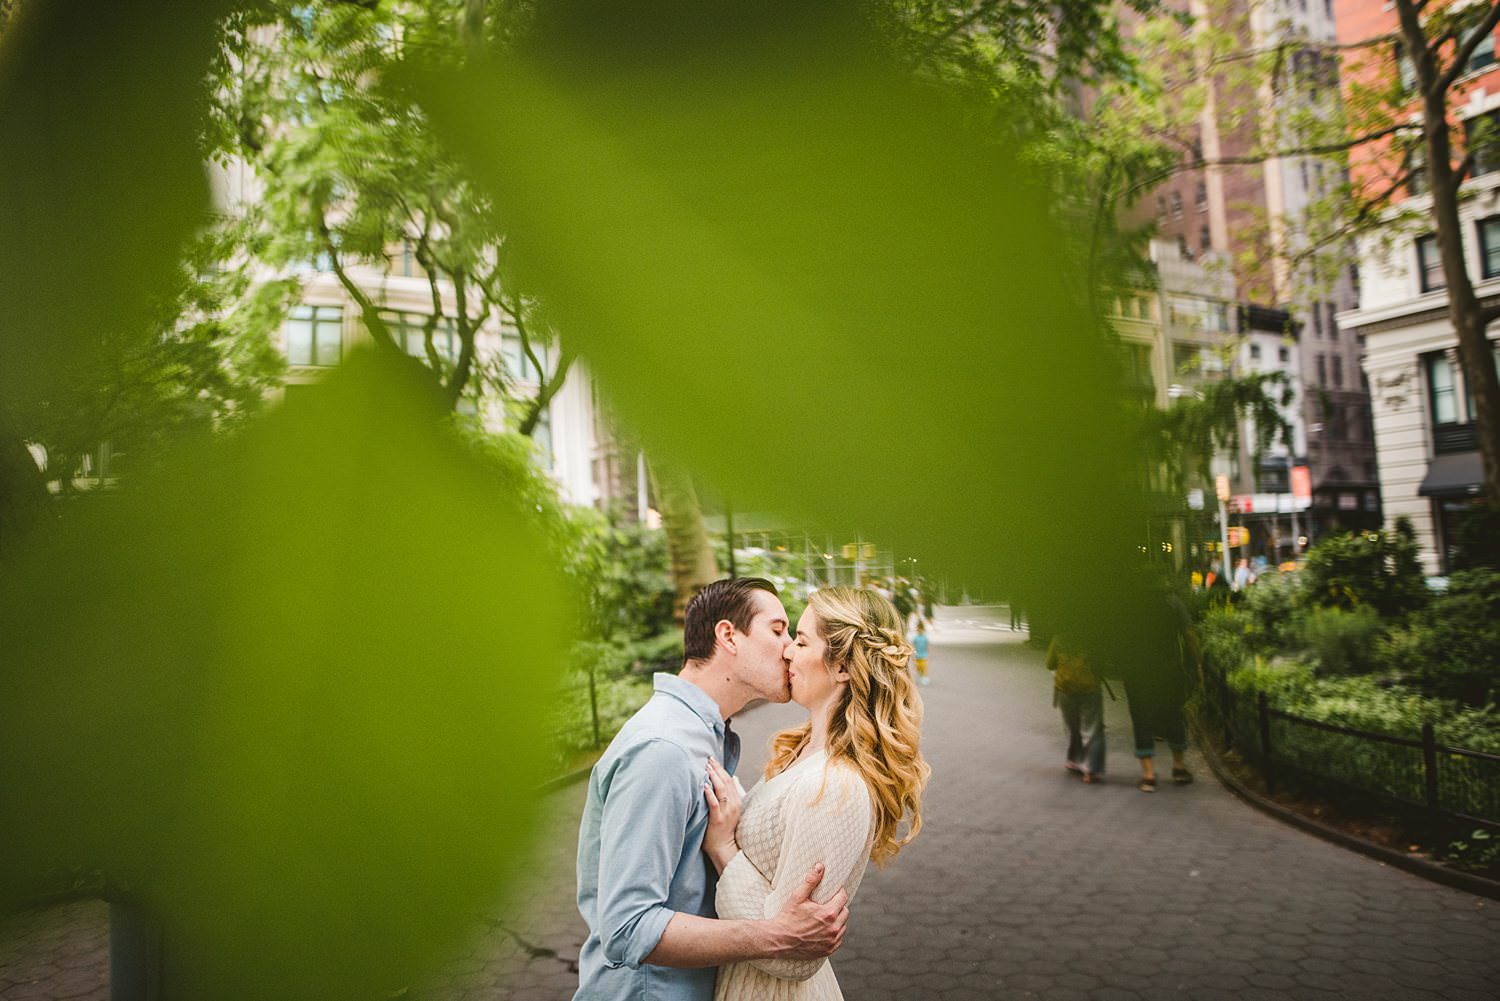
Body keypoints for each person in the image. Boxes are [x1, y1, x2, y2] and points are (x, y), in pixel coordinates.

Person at [573, 578, 849, 1001]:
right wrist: (772, 936)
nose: (789, 648)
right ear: (728, 636)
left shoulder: (705, 736)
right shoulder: (663, 749)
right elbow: (627, 928)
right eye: (778, 631)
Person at [701, 587, 929, 1001]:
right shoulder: (809, 754)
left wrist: (722, 849)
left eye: (802, 641)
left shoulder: (836, 786)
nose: (787, 651)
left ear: (841, 665)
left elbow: (793, 958)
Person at [1120, 581, 1200, 793]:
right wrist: (1198, 663)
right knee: (1173, 714)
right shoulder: (1173, 603)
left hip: (1136, 671)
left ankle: (1148, 776)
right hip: (1168, 668)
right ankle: (1179, 766)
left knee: (1141, 717)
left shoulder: (1127, 605)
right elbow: (1189, 634)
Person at [1046, 635, 1105, 783]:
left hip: (1065, 688)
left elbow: (1049, 663)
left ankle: (1074, 760)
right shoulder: (1093, 637)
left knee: (1071, 725)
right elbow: (1101, 664)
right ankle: (1091, 770)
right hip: (1090, 687)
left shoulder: (1059, 637)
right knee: (1092, 728)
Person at [910, 619, 930, 686]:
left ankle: (924, 677)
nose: (920, 631)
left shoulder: (925, 638)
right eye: (919, 629)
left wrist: (928, 655)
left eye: (921, 629)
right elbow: (913, 647)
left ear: (923, 630)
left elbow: (927, 646)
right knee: (918, 667)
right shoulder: (916, 638)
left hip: (924, 655)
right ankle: (920, 676)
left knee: (924, 667)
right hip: (917, 655)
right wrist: (913, 655)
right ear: (917, 630)